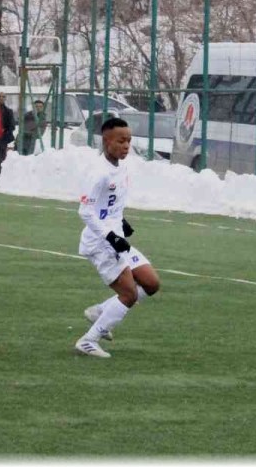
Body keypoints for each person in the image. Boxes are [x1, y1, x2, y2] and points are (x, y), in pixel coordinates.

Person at [74, 116, 161, 358]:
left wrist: (121, 222)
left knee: (151, 283)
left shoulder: (121, 167)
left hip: (116, 237)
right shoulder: (98, 173)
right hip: (101, 242)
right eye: (121, 141)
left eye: (129, 141)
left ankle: (101, 311)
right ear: (106, 141)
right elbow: (85, 211)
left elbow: (110, 203)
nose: (126, 146)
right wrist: (111, 236)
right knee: (129, 294)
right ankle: (89, 340)